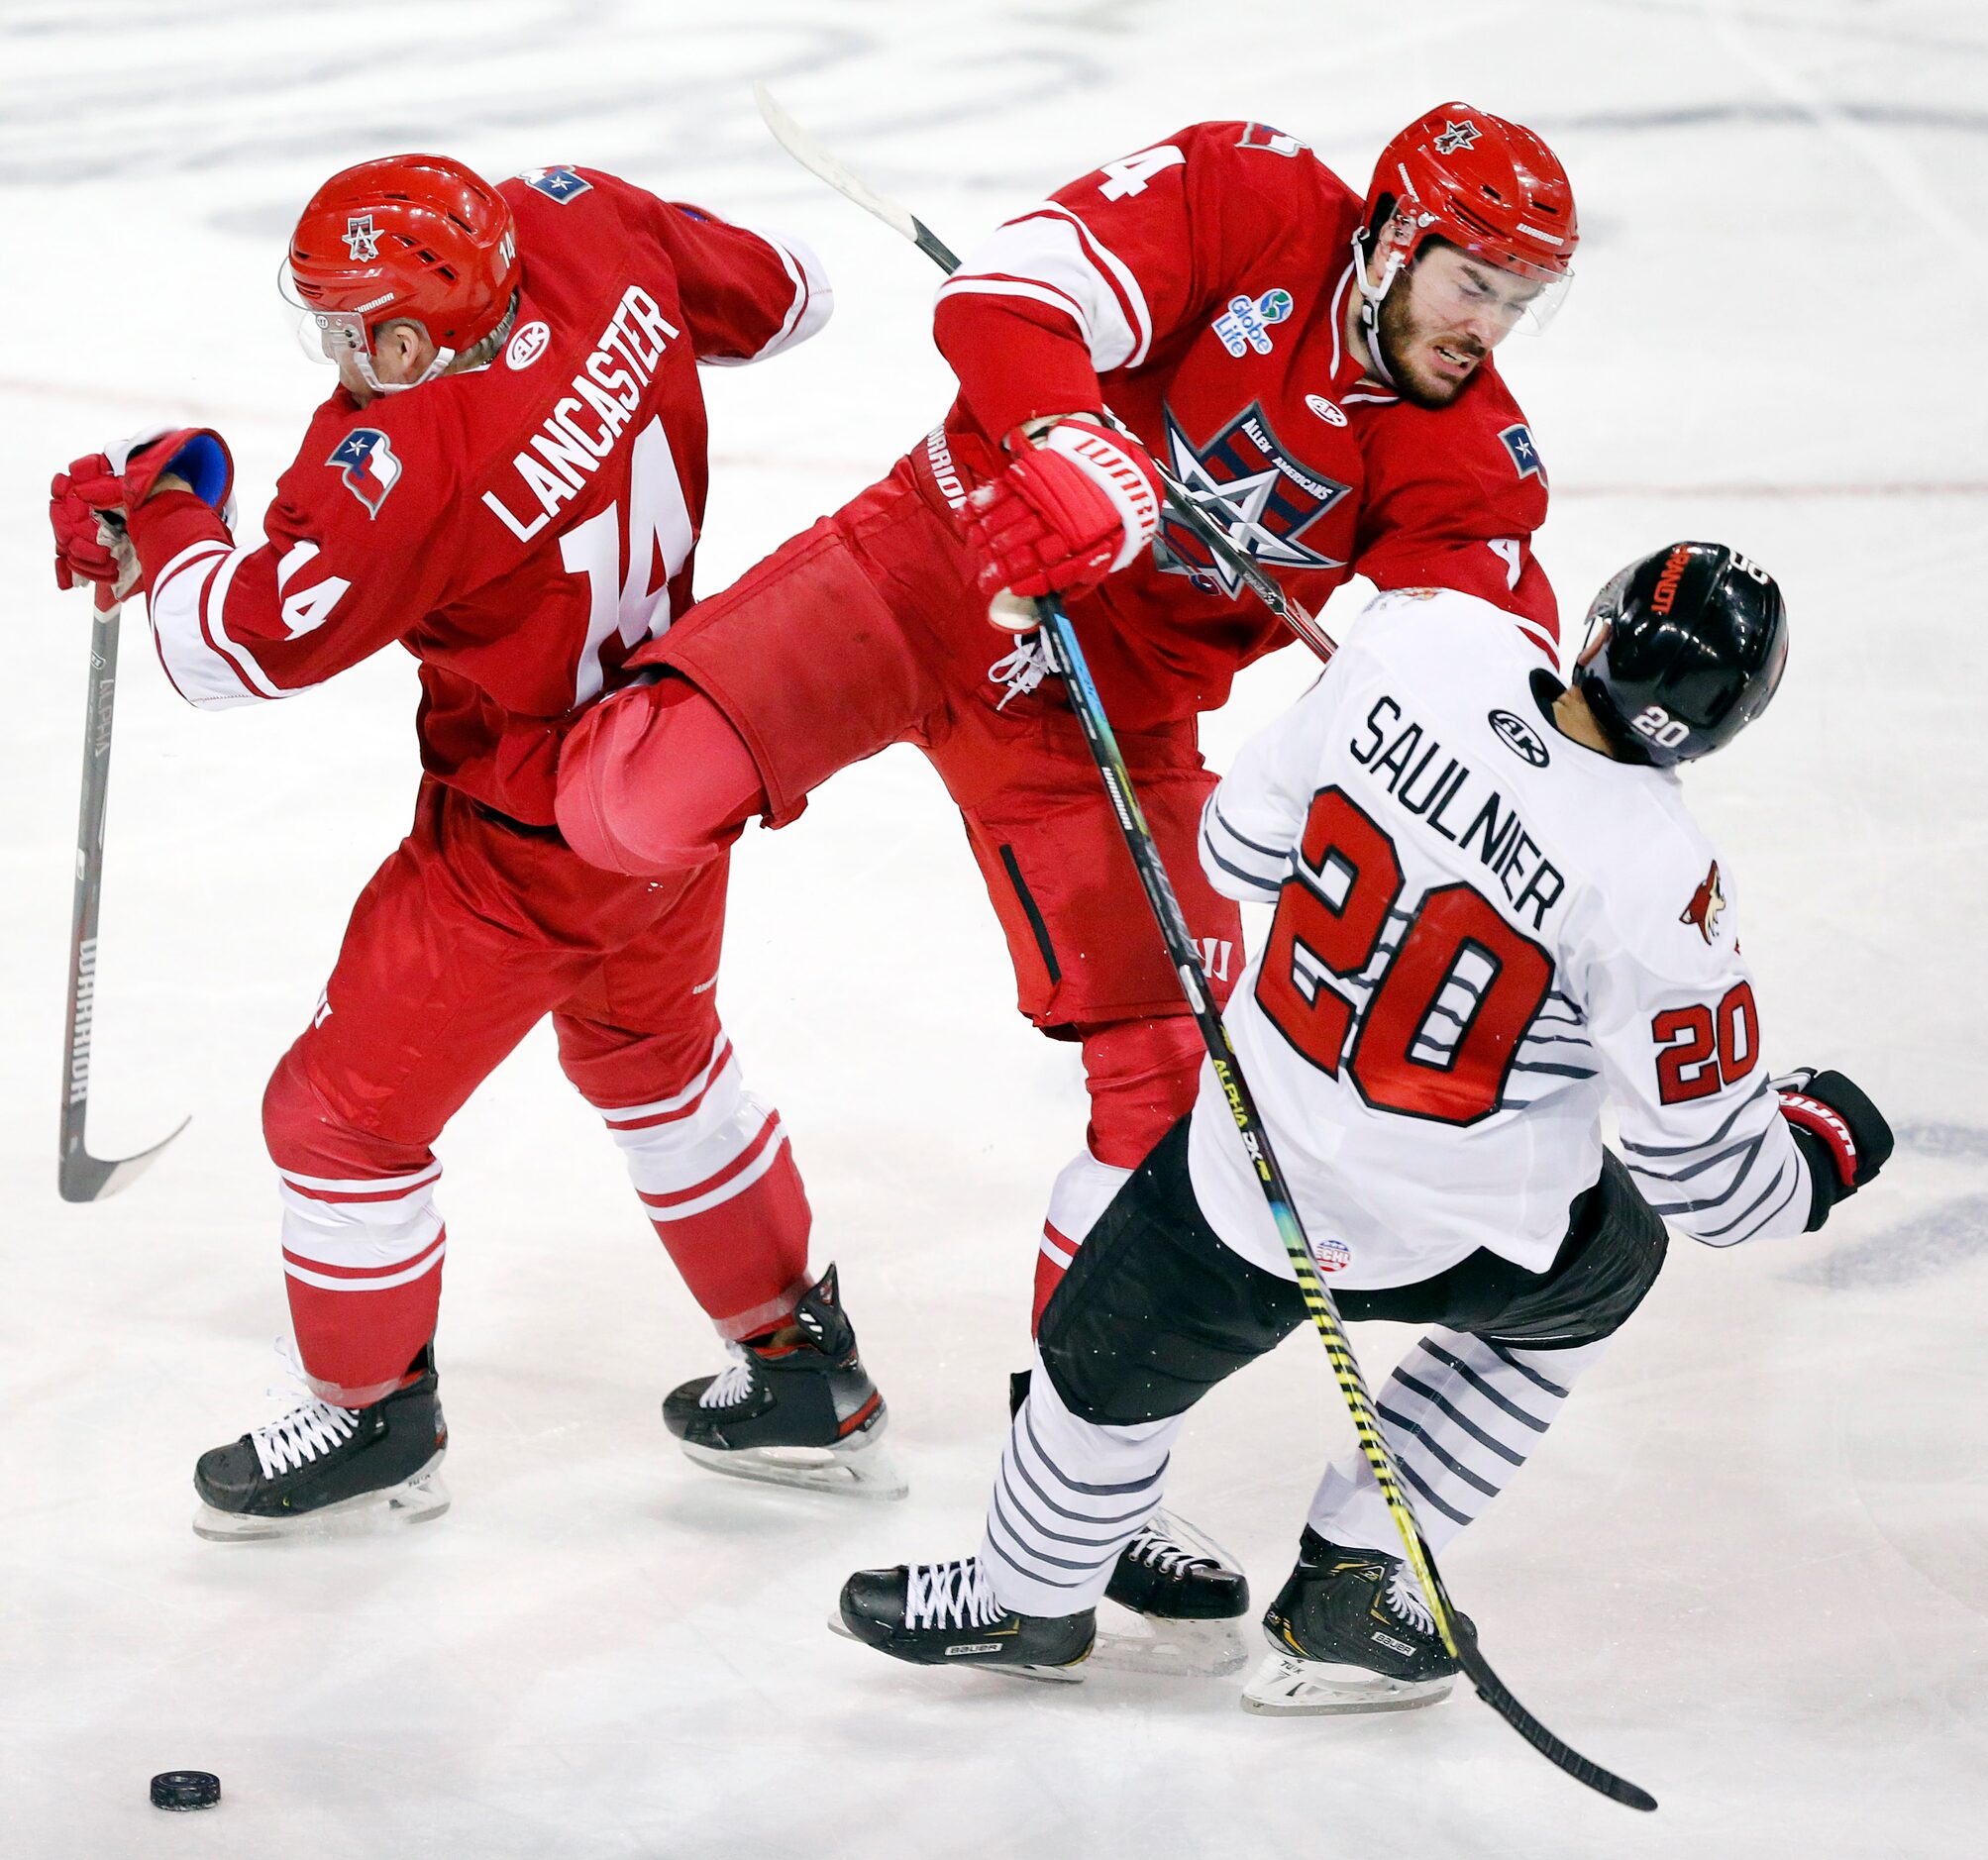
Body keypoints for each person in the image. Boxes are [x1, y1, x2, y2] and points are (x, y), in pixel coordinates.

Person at [552, 105, 1580, 1637]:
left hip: (1104, 716)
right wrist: (1072, 439)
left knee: (1166, 1090)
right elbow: (1002, 296)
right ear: (1387, 230)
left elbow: (1489, 667)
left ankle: (1074, 1488)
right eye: (1468, 282)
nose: (1484, 326)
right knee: (626, 806)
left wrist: (1521, 740)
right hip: (926, 563)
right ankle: (765, 1299)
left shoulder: (1462, 451)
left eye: (1517, 299)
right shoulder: (1245, 191)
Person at [832, 543, 1894, 1705]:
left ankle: (1027, 1595)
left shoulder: (1428, 642)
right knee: (1609, 1267)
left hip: (1251, 1172)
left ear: (1597, 625)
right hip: (1463, 1235)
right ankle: (1358, 1575)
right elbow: (1721, 1192)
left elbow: (1238, 847)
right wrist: (1821, 1144)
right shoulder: (1661, 879)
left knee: (1097, 1365)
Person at [42, 154, 893, 1537]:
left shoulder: (412, 462)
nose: (333, 356)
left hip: (525, 834)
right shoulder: (582, 223)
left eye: (347, 330)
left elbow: (224, 648)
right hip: (674, 767)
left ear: (413, 333)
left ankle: (375, 1412)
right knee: (656, 1060)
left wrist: (167, 511)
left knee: (337, 1119)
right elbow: (792, 293)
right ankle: (802, 1370)